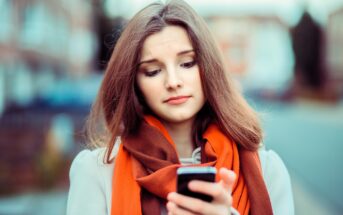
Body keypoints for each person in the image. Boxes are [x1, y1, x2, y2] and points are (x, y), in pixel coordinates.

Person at [66, 0, 294, 214]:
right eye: (153, 71)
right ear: (134, 83)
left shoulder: (266, 169)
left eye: (187, 63)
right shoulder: (97, 172)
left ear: (209, 67)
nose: (173, 81)